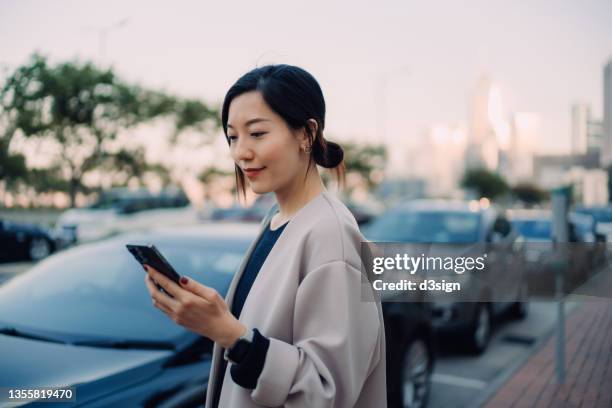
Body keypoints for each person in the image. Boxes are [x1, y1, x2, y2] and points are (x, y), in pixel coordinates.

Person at [144, 64, 386, 407]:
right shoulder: (277, 219)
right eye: (232, 136)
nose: (240, 152)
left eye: (257, 134)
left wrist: (228, 333)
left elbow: (324, 393)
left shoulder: (331, 236)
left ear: (306, 133)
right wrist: (211, 319)